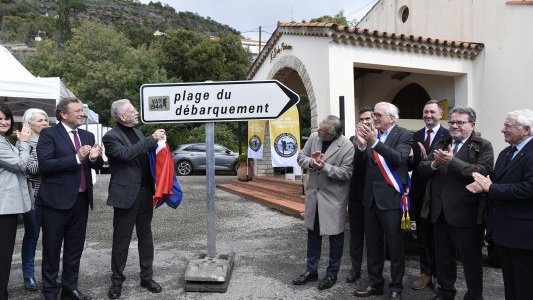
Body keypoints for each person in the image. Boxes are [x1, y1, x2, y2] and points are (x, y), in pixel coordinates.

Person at [418, 106, 493, 300]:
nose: (455, 126)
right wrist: (435, 164)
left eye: (460, 122)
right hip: (439, 212)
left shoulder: (483, 145)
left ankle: (474, 296)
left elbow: (482, 171)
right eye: (452, 122)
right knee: (443, 258)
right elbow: (423, 169)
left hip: (467, 214)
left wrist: (452, 161)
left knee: (471, 260)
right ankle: (445, 292)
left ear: (472, 125)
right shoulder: (442, 142)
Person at [37, 98, 103, 300]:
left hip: (81, 200)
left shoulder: (87, 134)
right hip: (55, 202)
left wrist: (93, 158)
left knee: (75, 248)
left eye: (82, 110)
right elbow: (45, 165)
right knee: (52, 249)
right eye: (78, 111)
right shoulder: (49, 134)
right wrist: (76, 158)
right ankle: (50, 291)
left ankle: (70, 289)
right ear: (63, 114)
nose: (82, 114)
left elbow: (97, 165)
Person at [102, 99, 166, 299]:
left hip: (146, 192)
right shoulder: (110, 137)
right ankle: (117, 282)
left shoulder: (138, 132)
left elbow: (146, 153)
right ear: (123, 116)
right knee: (122, 239)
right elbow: (125, 154)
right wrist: (150, 139)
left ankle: (147, 277)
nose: (137, 112)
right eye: (133, 110)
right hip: (125, 195)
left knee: (146, 237)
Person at [467, 109, 533, 300]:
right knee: (511, 284)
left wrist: (491, 188)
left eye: (508, 126)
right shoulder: (506, 152)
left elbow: (529, 188)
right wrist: (481, 185)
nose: (502, 130)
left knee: (526, 285)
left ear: (526, 129)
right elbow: (497, 178)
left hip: (524, 235)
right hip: (505, 232)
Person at [353, 102, 412, 300]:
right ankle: (375, 283)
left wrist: (375, 142)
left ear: (392, 118)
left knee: (395, 247)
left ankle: (396, 286)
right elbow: (362, 166)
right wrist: (361, 146)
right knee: (373, 245)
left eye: (378, 115)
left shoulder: (404, 134)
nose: (374, 118)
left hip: (391, 200)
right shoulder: (370, 134)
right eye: (374, 115)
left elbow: (399, 159)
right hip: (370, 200)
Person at [293, 115, 354, 290]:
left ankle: (331, 274)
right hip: (314, 196)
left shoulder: (347, 146)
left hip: (334, 199)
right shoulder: (314, 137)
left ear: (334, 134)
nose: (318, 132)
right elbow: (301, 157)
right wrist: (311, 162)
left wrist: (324, 167)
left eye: (323, 131)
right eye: (319, 128)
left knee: (335, 238)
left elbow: (346, 173)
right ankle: (311, 271)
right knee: (313, 235)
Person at [408, 100, 450, 291]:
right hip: (419, 192)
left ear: (440, 114)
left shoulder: (448, 136)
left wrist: (428, 160)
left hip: (439, 193)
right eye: (425, 111)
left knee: (439, 237)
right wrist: (410, 159)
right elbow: (412, 165)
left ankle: (440, 276)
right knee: (423, 235)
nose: (428, 115)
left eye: (432, 112)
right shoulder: (415, 136)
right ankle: (426, 273)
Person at [0, 103, 32, 300]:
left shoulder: (4, 140)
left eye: (6, 118)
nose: (4, 122)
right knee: (3, 257)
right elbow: (20, 164)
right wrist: (24, 142)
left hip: (6, 207)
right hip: (3, 208)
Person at [19, 108, 49, 291]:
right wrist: (53, 161)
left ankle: (50, 272)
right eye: (40, 120)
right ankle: (28, 275)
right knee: (32, 236)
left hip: (53, 197)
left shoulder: (51, 140)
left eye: (46, 120)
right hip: (34, 198)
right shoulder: (24, 143)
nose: (45, 123)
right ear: (29, 124)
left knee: (52, 238)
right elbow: (30, 169)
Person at [346, 106, 374, 284]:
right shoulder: (352, 140)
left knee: (374, 237)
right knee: (355, 235)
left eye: (368, 119)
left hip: (375, 197)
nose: (364, 122)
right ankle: (355, 268)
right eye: (361, 119)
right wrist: (359, 144)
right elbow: (353, 165)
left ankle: (374, 272)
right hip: (356, 195)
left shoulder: (381, 139)